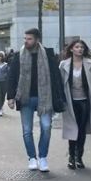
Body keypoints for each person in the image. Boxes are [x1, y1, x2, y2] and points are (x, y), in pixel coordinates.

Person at [6, 28, 63, 172]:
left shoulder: (48, 55)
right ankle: (32, 157)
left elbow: (56, 77)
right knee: (27, 130)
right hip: (25, 98)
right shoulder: (19, 55)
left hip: (45, 98)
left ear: (37, 40)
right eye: (25, 39)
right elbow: (12, 76)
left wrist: (60, 97)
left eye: (29, 39)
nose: (26, 41)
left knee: (46, 127)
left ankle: (43, 157)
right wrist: (10, 97)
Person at [59, 40, 91, 169]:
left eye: (82, 47)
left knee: (81, 129)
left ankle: (79, 157)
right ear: (71, 49)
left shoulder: (90, 64)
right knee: (73, 129)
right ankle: (71, 156)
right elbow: (60, 84)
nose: (80, 49)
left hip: (85, 101)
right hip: (70, 101)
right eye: (77, 47)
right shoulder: (64, 64)